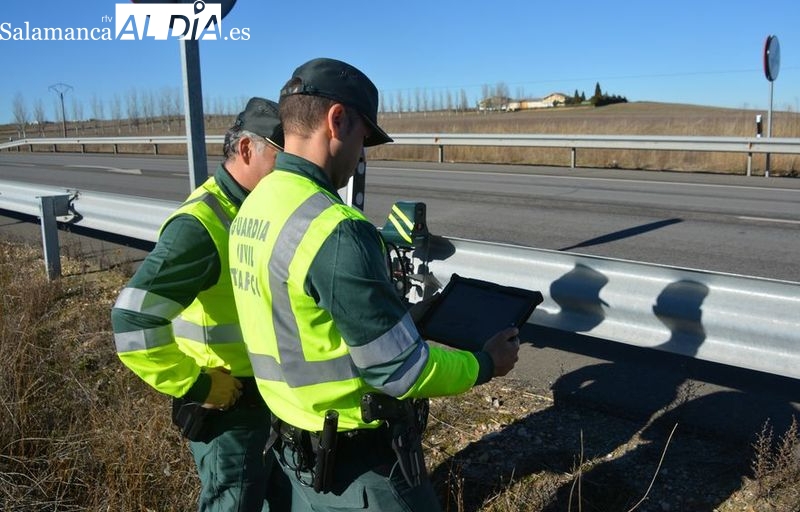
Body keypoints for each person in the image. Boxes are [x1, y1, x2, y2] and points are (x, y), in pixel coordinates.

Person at [228, 58, 521, 511]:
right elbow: (401, 371)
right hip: (359, 468)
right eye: (363, 139)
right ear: (337, 120)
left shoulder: (254, 204)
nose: (361, 156)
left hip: (290, 451)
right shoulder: (336, 229)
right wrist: (485, 363)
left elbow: (300, 317)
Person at [111, 97, 290, 511]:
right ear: (247, 150)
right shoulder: (200, 225)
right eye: (284, 159)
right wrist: (199, 385)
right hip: (230, 408)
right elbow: (132, 320)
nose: (293, 172)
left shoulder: (257, 209)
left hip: (267, 397)